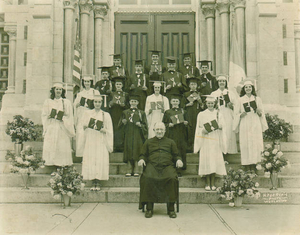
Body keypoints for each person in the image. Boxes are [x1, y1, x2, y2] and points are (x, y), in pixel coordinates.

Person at [138, 122, 183, 219]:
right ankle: (149, 208)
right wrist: (141, 159)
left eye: (161, 129)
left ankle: (171, 208)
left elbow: (176, 155)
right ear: (154, 130)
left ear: (165, 131)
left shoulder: (171, 142)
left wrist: (179, 160)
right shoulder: (148, 142)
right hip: (152, 165)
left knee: (172, 178)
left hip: (167, 166)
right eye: (157, 129)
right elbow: (143, 154)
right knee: (148, 178)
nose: (159, 131)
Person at [233, 80, 268, 172]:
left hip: (255, 123)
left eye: (249, 87)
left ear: (252, 88)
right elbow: (235, 113)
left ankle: (255, 165)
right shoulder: (240, 100)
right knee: (245, 143)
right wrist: (241, 115)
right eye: (246, 87)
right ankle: (247, 166)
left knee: (255, 143)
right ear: (244, 89)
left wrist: (259, 113)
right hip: (245, 123)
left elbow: (262, 113)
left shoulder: (257, 99)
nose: (248, 88)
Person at [194, 95, 227, 191]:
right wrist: (203, 131)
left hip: (215, 138)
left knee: (214, 160)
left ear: (214, 104)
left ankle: (213, 183)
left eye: (212, 103)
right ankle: (207, 183)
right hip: (206, 139)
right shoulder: (201, 114)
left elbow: (223, 125)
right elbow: (198, 127)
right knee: (207, 160)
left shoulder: (218, 114)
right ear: (206, 104)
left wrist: (220, 126)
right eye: (208, 103)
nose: (210, 105)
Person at [82, 95, 113, 190]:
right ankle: (92, 181)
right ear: (93, 103)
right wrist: (85, 126)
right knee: (91, 158)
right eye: (95, 102)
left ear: (102, 103)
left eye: (99, 102)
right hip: (91, 138)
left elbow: (110, 129)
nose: (97, 104)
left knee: (100, 158)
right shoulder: (87, 113)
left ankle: (98, 181)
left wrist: (105, 130)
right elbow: (82, 125)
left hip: (100, 140)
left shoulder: (105, 115)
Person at [41, 82, 75, 166]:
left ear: (62, 91)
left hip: (62, 126)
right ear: (53, 91)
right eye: (57, 89)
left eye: (60, 89)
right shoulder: (48, 102)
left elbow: (69, 116)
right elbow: (44, 114)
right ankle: (51, 163)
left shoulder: (66, 102)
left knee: (61, 145)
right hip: (52, 125)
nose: (58, 91)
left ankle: (61, 165)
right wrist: (49, 116)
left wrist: (62, 117)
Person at [119, 94, 148, 177]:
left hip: (137, 135)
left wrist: (140, 125)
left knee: (136, 151)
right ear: (129, 102)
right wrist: (123, 123)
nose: (133, 103)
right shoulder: (125, 112)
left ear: (138, 102)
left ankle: (136, 169)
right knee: (128, 150)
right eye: (132, 101)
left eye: (135, 101)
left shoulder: (141, 113)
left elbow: (145, 125)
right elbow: (120, 126)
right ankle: (128, 169)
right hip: (128, 134)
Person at [74, 75, 100, 157]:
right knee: (81, 133)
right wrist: (77, 104)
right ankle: (81, 154)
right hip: (82, 114)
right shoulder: (80, 94)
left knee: (91, 133)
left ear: (91, 82)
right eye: (85, 82)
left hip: (92, 114)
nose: (87, 83)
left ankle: (92, 154)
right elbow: (75, 104)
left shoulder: (95, 92)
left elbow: (99, 102)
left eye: (88, 82)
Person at [162, 93, 188, 176]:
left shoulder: (183, 111)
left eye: (177, 101)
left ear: (179, 102)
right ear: (171, 102)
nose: (175, 102)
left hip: (181, 134)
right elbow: (163, 123)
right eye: (173, 101)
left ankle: (179, 170)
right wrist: (168, 125)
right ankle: (171, 169)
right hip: (171, 134)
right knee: (171, 150)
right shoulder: (167, 112)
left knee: (180, 150)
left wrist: (186, 123)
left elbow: (188, 123)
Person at [211, 75, 238, 154]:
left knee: (228, 131)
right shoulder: (214, 93)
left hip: (228, 114)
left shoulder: (231, 93)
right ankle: (219, 151)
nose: (221, 83)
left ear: (226, 83)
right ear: (218, 83)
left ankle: (229, 151)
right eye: (220, 81)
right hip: (218, 114)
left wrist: (231, 106)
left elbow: (236, 105)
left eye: (223, 81)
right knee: (219, 132)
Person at [182, 77, 204, 152]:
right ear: (189, 86)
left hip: (197, 114)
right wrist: (188, 104)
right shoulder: (185, 94)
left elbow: (203, 107)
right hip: (189, 114)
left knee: (197, 129)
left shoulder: (200, 94)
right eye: (192, 84)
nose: (193, 86)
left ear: (197, 85)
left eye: (195, 84)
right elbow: (182, 106)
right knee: (189, 130)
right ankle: (189, 148)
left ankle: (198, 148)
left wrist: (200, 101)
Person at [109, 77, 128, 152]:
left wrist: (124, 105)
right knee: (114, 129)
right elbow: (108, 105)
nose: (118, 86)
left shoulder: (126, 94)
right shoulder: (112, 94)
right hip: (114, 114)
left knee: (121, 129)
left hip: (122, 114)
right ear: (115, 85)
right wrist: (110, 104)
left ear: (122, 85)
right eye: (117, 84)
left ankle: (121, 147)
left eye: (120, 84)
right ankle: (114, 146)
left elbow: (128, 106)